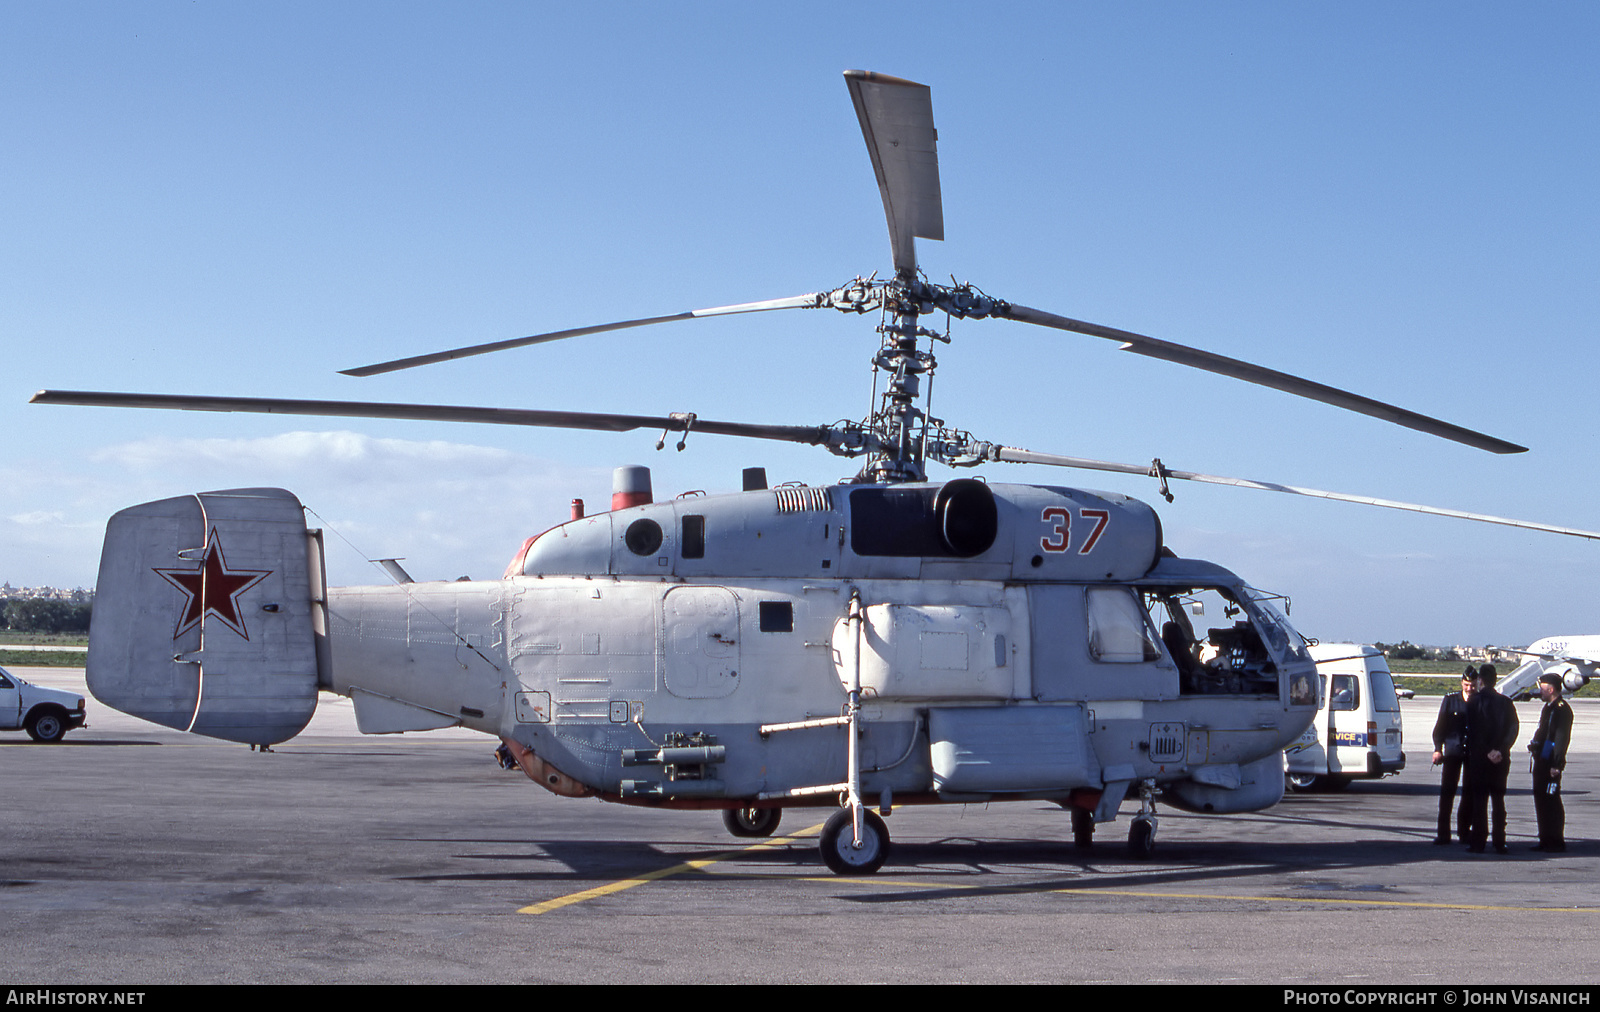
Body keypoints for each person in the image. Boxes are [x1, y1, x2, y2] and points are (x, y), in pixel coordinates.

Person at [1461, 664, 1519, 854]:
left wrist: (1486, 751)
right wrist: (1500, 750)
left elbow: (1473, 731)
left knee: (1480, 801)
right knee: (1498, 800)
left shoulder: (1473, 701)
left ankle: (1479, 841)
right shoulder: (1506, 702)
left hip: (1480, 758)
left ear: (1481, 680)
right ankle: (1500, 841)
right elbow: (1513, 729)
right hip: (1500, 759)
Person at [1527, 673, 1573, 853]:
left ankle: (1555, 840)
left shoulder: (1562, 709)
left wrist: (1557, 764)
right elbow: (1544, 734)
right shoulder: (1549, 708)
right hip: (1542, 759)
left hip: (1550, 763)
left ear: (1551, 689)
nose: (1540, 692)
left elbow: (1561, 739)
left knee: (1551, 800)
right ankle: (1545, 838)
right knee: (1541, 800)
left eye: (1543, 689)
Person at [1430, 668, 1475, 845]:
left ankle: (1464, 832)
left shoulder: (1479, 701)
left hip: (1471, 752)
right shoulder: (1450, 701)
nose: (1469, 688)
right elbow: (1440, 726)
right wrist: (1437, 748)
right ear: (1461, 684)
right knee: (1447, 793)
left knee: (1468, 794)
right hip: (1453, 751)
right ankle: (1443, 834)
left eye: (1472, 685)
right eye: (1466, 685)